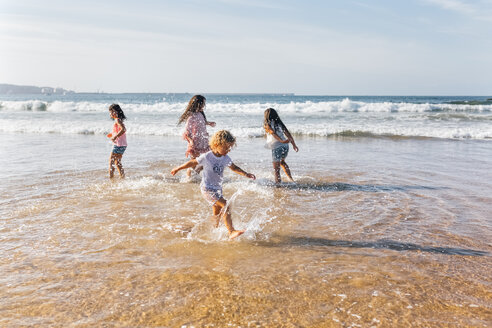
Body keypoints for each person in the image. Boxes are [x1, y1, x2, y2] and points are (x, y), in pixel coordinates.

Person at [171, 130, 256, 239]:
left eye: (230, 148)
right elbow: (193, 162)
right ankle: (231, 231)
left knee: (217, 212)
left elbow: (234, 167)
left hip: (217, 189)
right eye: (226, 147)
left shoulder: (226, 158)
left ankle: (214, 231)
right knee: (226, 205)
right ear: (217, 144)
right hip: (207, 189)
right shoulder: (207, 156)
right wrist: (178, 168)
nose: (228, 150)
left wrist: (246, 174)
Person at [178, 95, 216, 177]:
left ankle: (193, 177)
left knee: (205, 161)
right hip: (195, 144)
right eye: (203, 103)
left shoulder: (200, 114)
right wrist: (191, 142)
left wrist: (209, 123)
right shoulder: (191, 116)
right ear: (198, 104)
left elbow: (201, 122)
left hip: (203, 142)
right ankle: (189, 179)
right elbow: (186, 132)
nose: (204, 106)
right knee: (194, 163)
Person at [263, 108, 299, 183]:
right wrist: (294, 145)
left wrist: (281, 141)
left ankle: (278, 185)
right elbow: (288, 134)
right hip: (285, 146)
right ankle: (291, 179)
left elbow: (273, 133)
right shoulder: (279, 123)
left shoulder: (267, 124)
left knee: (276, 169)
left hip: (277, 146)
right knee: (282, 162)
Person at [107, 104, 127, 179]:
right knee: (117, 162)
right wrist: (112, 135)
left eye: (112, 112)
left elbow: (123, 129)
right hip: (123, 145)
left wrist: (115, 136)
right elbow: (120, 131)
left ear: (117, 112)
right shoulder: (119, 120)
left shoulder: (117, 120)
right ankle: (122, 177)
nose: (111, 114)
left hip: (118, 145)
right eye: (110, 112)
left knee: (111, 162)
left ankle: (111, 179)